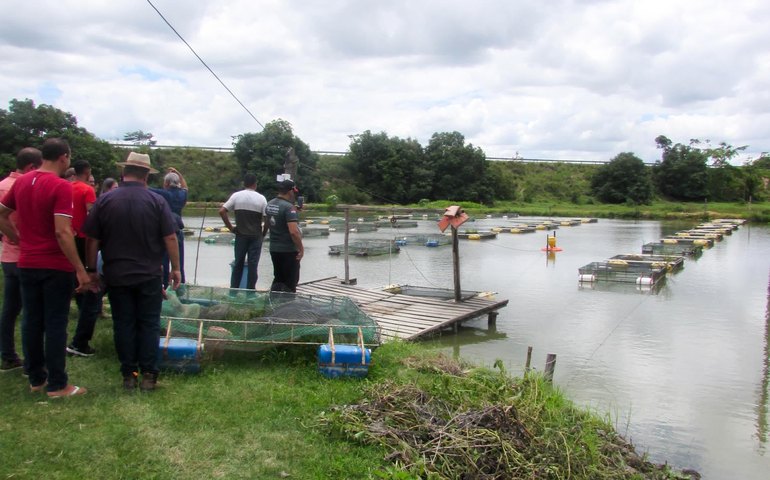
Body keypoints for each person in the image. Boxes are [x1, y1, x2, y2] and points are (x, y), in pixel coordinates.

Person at [0, 138, 91, 397]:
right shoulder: (61, 186)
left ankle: (36, 378)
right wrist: (80, 269)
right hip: (54, 265)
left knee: (31, 320)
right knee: (55, 323)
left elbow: (1, 214)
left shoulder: (21, 182)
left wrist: (18, 238)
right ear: (64, 157)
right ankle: (58, 384)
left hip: (26, 262)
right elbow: (63, 232)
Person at [82, 152, 180, 392]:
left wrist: (92, 269)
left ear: (123, 172)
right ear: (147, 175)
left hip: (117, 274)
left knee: (123, 322)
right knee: (148, 323)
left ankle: (128, 374)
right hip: (148, 274)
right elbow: (169, 236)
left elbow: (91, 239)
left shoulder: (105, 200)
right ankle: (148, 375)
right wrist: (176, 268)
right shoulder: (157, 201)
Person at [0, 147, 42, 372]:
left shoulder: (2, 185)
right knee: (33, 312)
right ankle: (33, 363)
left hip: (7, 257)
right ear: (31, 168)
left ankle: (7, 355)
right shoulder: (23, 186)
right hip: (26, 256)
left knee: (10, 309)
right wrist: (17, 238)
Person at [66, 160, 100, 357]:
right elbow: (91, 215)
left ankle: (78, 300)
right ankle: (81, 339)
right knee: (89, 283)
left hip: (68, 237)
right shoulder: (87, 190)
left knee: (73, 275)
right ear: (87, 172)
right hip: (83, 239)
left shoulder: (66, 187)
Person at [219, 173, 267, 290]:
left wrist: (231, 228)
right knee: (253, 265)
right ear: (255, 184)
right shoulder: (261, 198)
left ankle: (234, 291)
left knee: (238, 264)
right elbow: (268, 219)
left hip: (240, 235)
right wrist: (263, 233)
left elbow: (222, 211)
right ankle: (250, 292)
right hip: (256, 236)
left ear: (244, 184)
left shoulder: (236, 196)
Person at [263, 178, 303, 292]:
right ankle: (288, 307)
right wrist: (301, 249)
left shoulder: (269, 204)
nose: (295, 194)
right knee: (290, 281)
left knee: (278, 278)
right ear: (290, 191)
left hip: (274, 249)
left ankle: (273, 304)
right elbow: (293, 232)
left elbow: (267, 223)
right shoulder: (289, 207)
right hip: (288, 250)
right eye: (294, 192)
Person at [150, 167, 187, 288]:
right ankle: (180, 287)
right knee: (179, 263)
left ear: (166, 183)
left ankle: (164, 286)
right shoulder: (182, 194)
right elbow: (185, 187)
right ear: (178, 183)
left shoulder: (164, 193)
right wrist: (178, 173)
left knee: (164, 261)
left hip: (165, 231)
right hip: (178, 231)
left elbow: (145, 189)